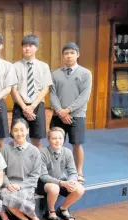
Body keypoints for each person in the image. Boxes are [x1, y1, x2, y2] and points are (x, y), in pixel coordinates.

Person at [50, 42, 93, 184]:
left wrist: (67, 111)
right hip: (58, 115)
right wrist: (60, 112)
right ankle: (57, 172)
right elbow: (52, 95)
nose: (69, 56)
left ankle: (79, 172)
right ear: (63, 56)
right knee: (56, 144)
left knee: (77, 144)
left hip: (77, 115)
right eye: (66, 53)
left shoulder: (86, 73)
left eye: (72, 53)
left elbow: (84, 96)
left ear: (78, 54)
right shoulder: (55, 74)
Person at [0, 118, 46, 220]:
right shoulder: (5, 150)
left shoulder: (35, 151)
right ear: (11, 132)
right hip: (9, 185)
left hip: (26, 185)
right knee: (5, 196)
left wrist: (20, 186)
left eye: (22, 130)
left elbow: (35, 175)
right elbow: (1, 172)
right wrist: (7, 184)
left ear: (27, 131)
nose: (19, 133)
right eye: (15, 130)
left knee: (22, 196)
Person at [11, 34, 53, 149]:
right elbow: (13, 89)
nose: (27, 48)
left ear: (36, 48)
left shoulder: (43, 66)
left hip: (37, 105)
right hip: (20, 106)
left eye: (31, 45)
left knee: (37, 140)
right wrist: (25, 107)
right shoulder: (14, 66)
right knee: (18, 139)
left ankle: (37, 166)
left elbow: (45, 88)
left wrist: (33, 106)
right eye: (25, 45)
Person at [38, 127, 85, 220]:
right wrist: (62, 183)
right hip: (43, 183)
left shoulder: (67, 152)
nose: (57, 141)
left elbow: (72, 172)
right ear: (48, 140)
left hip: (62, 181)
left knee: (80, 189)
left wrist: (71, 181)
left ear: (63, 139)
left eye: (60, 138)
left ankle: (63, 209)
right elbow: (43, 176)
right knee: (54, 188)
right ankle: (51, 212)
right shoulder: (42, 152)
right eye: (54, 138)